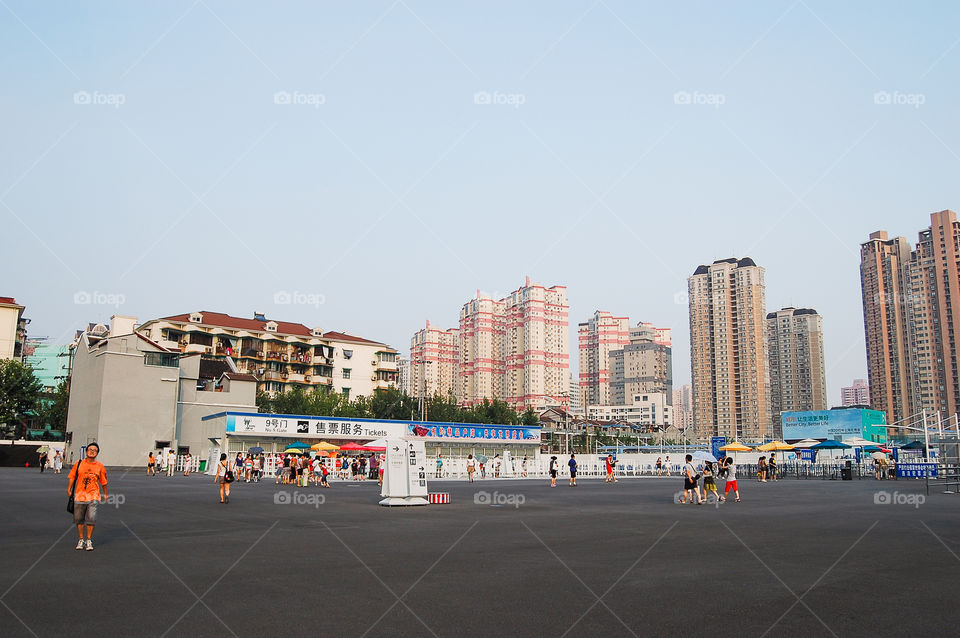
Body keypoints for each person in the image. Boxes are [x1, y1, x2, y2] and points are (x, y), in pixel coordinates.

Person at [67, 442, 108, 551]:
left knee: (91, 519)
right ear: (86, 452)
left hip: (93, 495)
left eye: (95, 450)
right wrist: (69, 488)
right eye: (90, 449)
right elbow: (72, 476)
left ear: (97, 453)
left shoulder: (100, 466)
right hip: (80, 495)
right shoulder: (79, 464)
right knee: (79, 519)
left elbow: (103, 481)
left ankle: (89, 539)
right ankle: (81, 539)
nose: (92, 451)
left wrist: (106, 493)